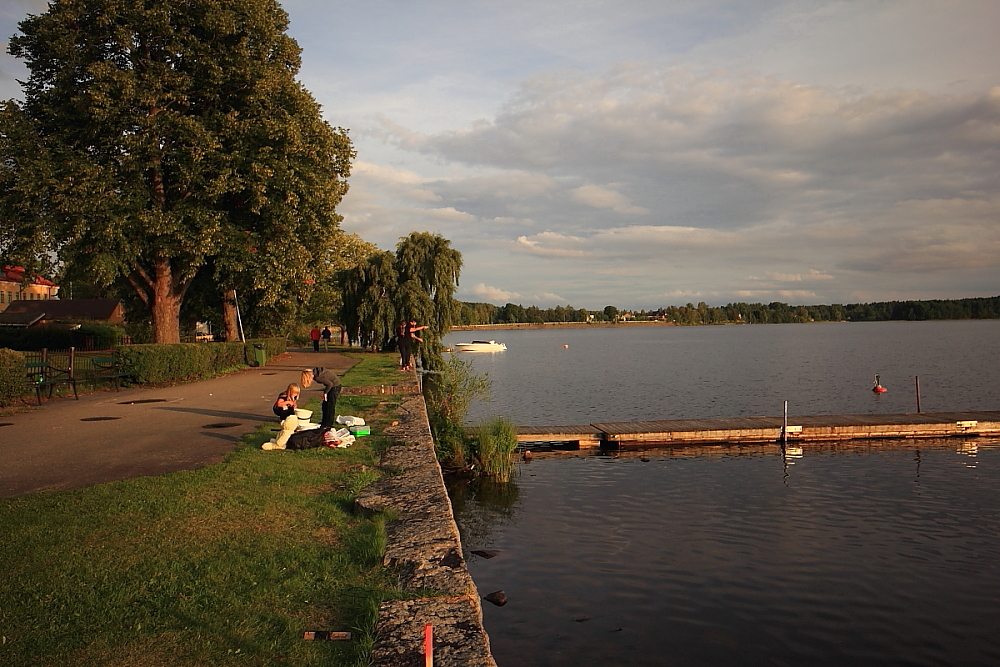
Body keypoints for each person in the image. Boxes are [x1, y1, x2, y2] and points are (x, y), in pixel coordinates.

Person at [263, 383, 300, 450]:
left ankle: (289, 419)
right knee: (285, 408)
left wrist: (294, 405)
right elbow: (279, 404)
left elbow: (294, 403)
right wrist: (288, 402)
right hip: (278, 409)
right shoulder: (283, 395)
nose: (295, 395)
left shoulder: (294, 397)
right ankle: (283, 419)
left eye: (297, 393)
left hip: (287, 407)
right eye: (294, 393)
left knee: (292, 411)